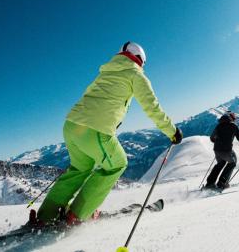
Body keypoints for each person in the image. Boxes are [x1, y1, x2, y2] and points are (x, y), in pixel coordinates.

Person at [32, 41, 182, 226]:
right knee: (117, 164)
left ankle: (46, 215)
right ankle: (77, 214)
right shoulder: (136, 74)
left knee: (79, 169)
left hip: (71, 126)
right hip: (95, 129)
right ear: (140, 60)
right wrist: (172, 132)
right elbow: (152, 107)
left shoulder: (105, 72)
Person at [205, 111, 239, 189]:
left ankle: (210, 183)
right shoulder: (234, 126)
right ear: (231, 118)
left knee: (220, 164)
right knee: (232, 163)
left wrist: (218, 143)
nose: (234, 120)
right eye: (234, 118)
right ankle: (222, 182)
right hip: (226, 150)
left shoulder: (219, 126)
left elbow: (211, 138)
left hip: (217, 150)